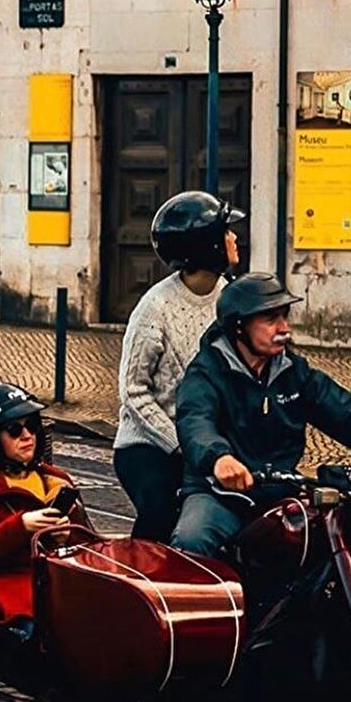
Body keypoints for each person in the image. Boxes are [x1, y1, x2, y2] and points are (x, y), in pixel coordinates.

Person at [170, 272, 351, 559]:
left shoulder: (293, 372)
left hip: (279, 492)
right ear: (239, 327)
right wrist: (219, 458)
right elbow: (194, 421)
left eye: (285, 317)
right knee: (193, 540)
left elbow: (346, 414)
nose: (284, 328)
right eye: (270, 319)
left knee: (342, 538)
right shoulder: (207, 373)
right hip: (218, 495)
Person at [113, 192, 243, 543]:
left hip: (205, 441)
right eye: (226, 233)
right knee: (162, 510)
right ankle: (141, 577)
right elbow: (133, 391)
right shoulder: (154, 309)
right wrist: (181, 444)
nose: (234, 239)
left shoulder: (230, 299)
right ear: (205, 246)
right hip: (151, 445)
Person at [0, 382, 82, 632]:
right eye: (14, 430)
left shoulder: (56, 478)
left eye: (32, 425)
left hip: (61, 578)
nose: (27, 435)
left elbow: (88, 544)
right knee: (42, 628)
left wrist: (66, 536)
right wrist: (21, 527)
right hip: (10, 585)